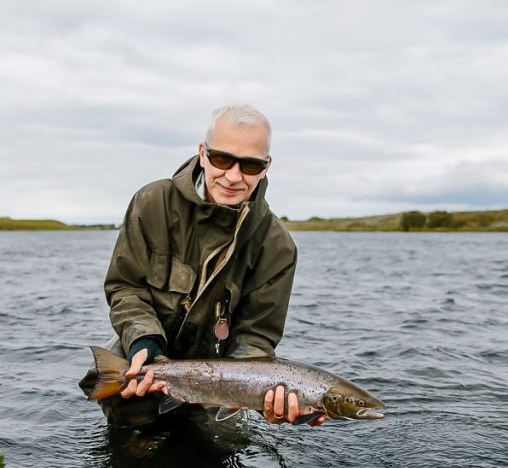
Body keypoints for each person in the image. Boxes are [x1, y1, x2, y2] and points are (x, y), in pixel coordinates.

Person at [80, 104, 325, 428]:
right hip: (141, 360)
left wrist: (270, 397)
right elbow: (126, 287)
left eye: (250, 165)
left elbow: (255, 337)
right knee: (132, 435)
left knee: (220, 454)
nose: (234, 176)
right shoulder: (153, 203)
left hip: (220, 383)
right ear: (202, 153)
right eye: (222, 159)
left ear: (266, 167)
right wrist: (144, 342)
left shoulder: (277, 246)